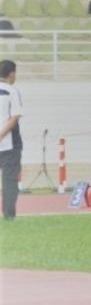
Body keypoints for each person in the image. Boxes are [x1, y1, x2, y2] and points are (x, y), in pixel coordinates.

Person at [0, 60, 23, 220]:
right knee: (9, 181)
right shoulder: (12, 91)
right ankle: (9, 216)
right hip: (9, 145)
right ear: (12, 73)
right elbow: (14, 117)